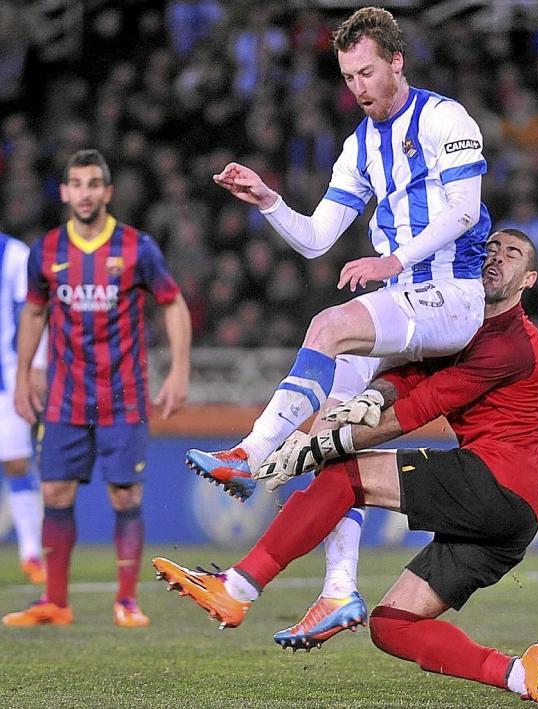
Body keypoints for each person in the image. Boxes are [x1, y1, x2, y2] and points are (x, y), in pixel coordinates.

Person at [154, 230, 538, 708]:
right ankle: (523, 678)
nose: (496, 258)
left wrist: (318, 447)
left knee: (344, 475)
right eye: (492, 248)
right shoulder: (463, 323)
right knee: (393, 625)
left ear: (529, 279)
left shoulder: (511, 345)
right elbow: (411, 374)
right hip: (510, 520)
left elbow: (422, 405)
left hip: (494, 485)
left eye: (512, 255)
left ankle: (238, 588)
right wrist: (373, 395)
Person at [186, 6, 491, 499]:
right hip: (404, 303)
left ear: (397, 61)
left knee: (327, 326)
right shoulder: (360, 146)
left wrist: (394, 260)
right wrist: (270, 201)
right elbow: (315, 239)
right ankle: (340, 579)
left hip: (451, 294)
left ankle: (250, 454)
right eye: (349, 78)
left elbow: (465, 211)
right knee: (327, 435)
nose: (359, 88)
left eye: (367, 73)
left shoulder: (443, 118)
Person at [2, 149, 191, 627]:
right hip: (65, 398)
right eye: (76, 185)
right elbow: (33, 313)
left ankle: (127, 600)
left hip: (123, 396)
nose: (84, 193)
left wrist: (179, 370)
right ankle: (55, 602)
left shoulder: (136, 248)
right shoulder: (47, 251)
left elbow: (172, 304)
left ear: (107, 192)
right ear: (64, 192)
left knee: (124, 497)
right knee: (56, 493)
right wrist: (23, 377)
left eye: (93, 185)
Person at [0, 230, 46, 585]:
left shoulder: (13, 254)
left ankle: (31, 551)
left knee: (15, 461)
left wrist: (35, 367)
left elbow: (33, 310)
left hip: (7, 374)